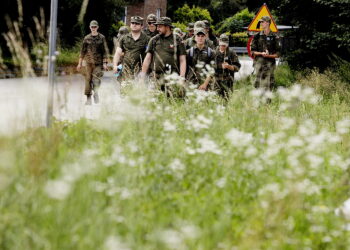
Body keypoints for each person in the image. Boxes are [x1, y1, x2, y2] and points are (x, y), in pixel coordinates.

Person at [77, 20, 108, 105]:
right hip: (88, 63)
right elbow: (82, 51)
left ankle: (96, 93)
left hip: (98, 63)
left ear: (97, 27)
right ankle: (88, 98)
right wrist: (79, 63)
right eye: (92, 27)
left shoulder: (102, 38)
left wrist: (105, 63)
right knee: (88, 80)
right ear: (90, 28)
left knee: (96, 80)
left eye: (95, 27)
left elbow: (104, 51)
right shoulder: (87, 38)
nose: (93, 28)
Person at [251, 16, 280, 90]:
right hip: (259, 65)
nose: (261, 23)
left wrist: (268, 55)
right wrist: (261, 53)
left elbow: (278, 54)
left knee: (269, 87)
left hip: (269, 66)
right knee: (257, 86)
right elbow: (253, 52)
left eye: (262, 22)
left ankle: (267, 101)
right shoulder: (256, 36)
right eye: (260, 22)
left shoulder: (275, 37)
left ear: (267, 23)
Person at [214, 34, 241, 98]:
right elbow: (209, 66)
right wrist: (220, 66)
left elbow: (237, 67)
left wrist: (229, 66)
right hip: (216, 81)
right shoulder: (214, 52)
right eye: (221, 45)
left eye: (224, 45)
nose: (223, 47)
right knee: (216, 100)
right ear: (219, 43)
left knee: (226, 100)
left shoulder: (231, 53)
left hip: (228, 82)